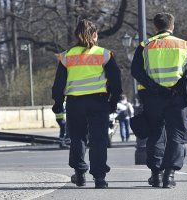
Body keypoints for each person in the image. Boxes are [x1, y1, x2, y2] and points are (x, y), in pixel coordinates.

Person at [131, 12, 187, 188]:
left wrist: (155, 88)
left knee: (155, 134)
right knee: (176, 136)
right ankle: (169, 176)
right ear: (172, 26)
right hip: (177, 98)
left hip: (153, 97)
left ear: (155, 27)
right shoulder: (186, 45)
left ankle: (156, 175)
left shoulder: (145, 46)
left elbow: (136, 71)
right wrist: (179, 88)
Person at [52, 19, 122, 189]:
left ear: (76, 35)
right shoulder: (105, 54)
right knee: (99, 140)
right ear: (96, 35)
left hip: (75, 103)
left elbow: (59, 83)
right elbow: (115, 80)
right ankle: (99, 178)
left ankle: (80, 173)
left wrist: (58, 102)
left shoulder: (67, 56)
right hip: (98, 102)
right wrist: (114, 100)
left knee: (77, 138)